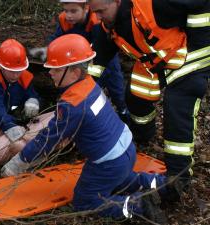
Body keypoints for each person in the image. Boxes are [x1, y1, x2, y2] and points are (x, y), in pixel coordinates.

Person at [1, 34, 181, 223]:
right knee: (121, 179)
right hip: (126, 148)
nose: (50, 73)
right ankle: (163, 185)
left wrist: (19, 162)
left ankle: (137, 206)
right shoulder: (89, 85)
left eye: (55, 69)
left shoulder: (72, 105)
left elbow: (47, 139)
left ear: (75, 72)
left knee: (85, 201)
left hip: (109, 162)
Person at [87, 0, 210, 188]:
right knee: (135, 96)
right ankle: (143, 135)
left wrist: (197, 38)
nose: (97, 17)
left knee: (176, 106)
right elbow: (98, 60)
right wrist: (80, 94)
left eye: (101, 11)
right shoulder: (111, 25)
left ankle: (179, 177)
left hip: (192, 55)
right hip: (161, 60)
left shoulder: (154, 5)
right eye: (94, 12)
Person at [30, 0, 129, 121]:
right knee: (76, 84)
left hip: (102, 58)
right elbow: (56, 38)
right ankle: (80, 113)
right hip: (78, 60)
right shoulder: (64, 20)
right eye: (66, 10)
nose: (68, 15)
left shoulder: (96, 21)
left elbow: (101, 49)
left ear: (86, 8)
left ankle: (123, 113)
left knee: (114, 85)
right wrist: (49, 50)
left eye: (73, 11)